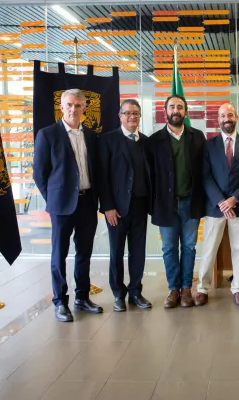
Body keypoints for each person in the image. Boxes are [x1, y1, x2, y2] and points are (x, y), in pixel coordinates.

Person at [33, 88, 103, 322]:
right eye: (69, 105)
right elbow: (39, 174)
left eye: (78, 105)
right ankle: (60, 301)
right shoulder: (48, 134)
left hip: (87, 202)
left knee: (84, 253)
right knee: (59, 254)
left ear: (84, 108)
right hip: (61, 206)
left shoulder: (92, 136)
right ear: (62, 108)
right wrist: (53, 198)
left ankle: (82, 297)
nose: (74, 109)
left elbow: (98, 171)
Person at [195, 103, 239, 307]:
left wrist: (234, 199)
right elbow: (205, 176)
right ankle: (202, 287)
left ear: (236, 117)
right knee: (209, 248)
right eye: (222, 116)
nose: (226, 118)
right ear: (218, 119)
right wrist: (222, 201)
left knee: (238, 248)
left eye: (229, 114)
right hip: (215, 207)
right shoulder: (209, 145)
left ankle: (238, 288)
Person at [148, 94, 206, 308]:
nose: (176, 110)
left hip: (191, 202)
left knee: (189, 247)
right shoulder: (154, 141)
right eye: (172, 107)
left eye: (180, 107)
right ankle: (173, 289)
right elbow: (150, 176)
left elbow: (204, 171)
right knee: (169, 248)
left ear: (186, 112)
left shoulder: (197, 137)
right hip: (166, 204)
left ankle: (186, 290)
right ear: (165, 112)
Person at [99, 99, 153, 312]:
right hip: (117, 209)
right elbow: (102, 177)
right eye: (127, 113)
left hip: (140, 206)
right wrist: (108, 206)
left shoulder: (146, 142)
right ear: (120, 116)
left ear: (140, 117)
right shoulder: (108, 141)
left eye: (136, 113)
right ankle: (118, 294)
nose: (132, 116)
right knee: (117, 252)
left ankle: (135, 292)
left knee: (138, 252)